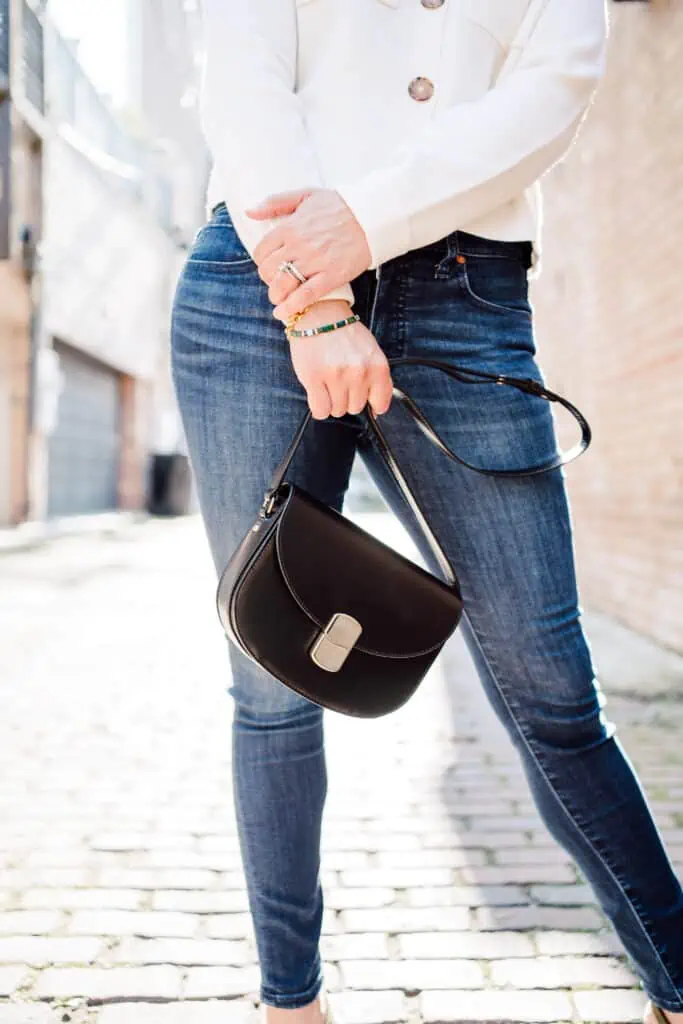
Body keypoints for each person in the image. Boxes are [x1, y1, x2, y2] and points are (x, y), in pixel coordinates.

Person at [170, 2, 683, 1022]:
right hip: (259, 281)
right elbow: (241, 61)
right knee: (269, 674)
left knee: (550, 690)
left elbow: (553, 85)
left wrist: (369, 220)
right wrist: (314, 300)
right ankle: (290, 1005)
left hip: (462, 291)